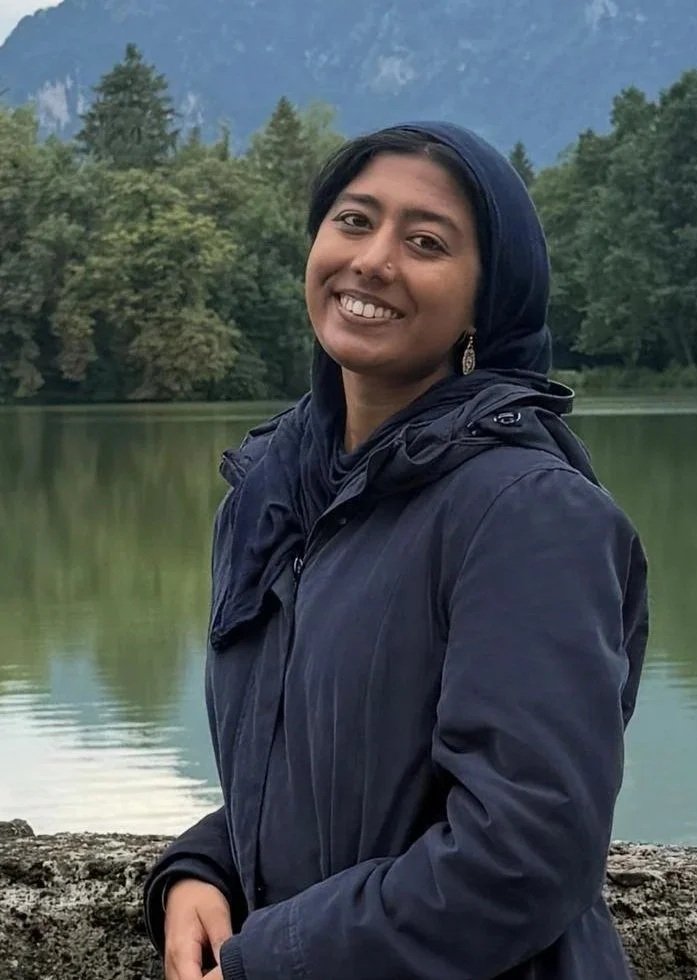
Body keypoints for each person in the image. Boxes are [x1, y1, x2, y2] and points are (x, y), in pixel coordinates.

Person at [143, 122, 648, 980]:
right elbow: (325, 770)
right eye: (353, 220)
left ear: (487, 300)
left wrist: (278, 960)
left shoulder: (525, 512)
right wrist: (205, 863)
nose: (372, 261)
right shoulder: (274, 494)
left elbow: (523, 853)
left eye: (425, 242)